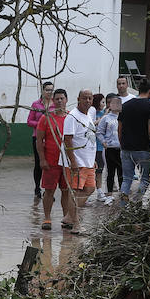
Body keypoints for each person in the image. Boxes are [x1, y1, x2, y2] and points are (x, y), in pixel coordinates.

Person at [34, 87, 71, 230]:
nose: (60, 101)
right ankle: (47, 218)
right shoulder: (46, 118)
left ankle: (66, 217)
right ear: (53, 101)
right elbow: (39, 140)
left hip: (67, 162)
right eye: (57, 99)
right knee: (49, 190)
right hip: (51, 161)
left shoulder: (71, 117)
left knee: (66, 190)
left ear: (66, 100)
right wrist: (42, 160)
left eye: (62, 98)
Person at [117, 78, 150, 205]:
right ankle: (135, 203)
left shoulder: (125, 105)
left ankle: (123, 206)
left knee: (127, 179)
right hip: (143, 149)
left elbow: (119, 127)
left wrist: (122, 143)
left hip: (126, 148)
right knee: (144, 179)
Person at [60, 88, 96, 230]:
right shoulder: (72, 117)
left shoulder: (89, 115)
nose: (87, 101)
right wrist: (73, 161)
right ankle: (75, 223)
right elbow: (67, 140)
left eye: (90, 98)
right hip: (78, 162)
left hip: (88, 161)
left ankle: (69, 216)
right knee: (74, 191)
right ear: (78, 99)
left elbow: (88, 137)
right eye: (84, 98)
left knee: (90, 188)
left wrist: (92, 158)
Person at [26, 81, 54, 199]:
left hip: (52, 138)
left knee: (51, 164)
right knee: (39, 163)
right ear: (42, 91)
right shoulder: (36, 104)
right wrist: (42, 124)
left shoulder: (55, 105)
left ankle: (49, 190)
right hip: (37, 137)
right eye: (47, 90)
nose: (49, 92)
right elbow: (29, 121)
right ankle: (37, 187)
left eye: (51, 90)